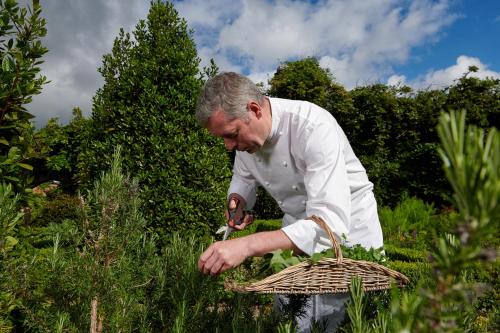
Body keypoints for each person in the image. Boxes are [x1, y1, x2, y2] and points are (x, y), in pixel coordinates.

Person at [196, 72, 383, 332]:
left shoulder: (313, 126)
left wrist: (247, 245)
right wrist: (237, 201)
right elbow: (243, 177)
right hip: (294, 231)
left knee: (343, 322)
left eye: (232, 134)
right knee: (292, 320)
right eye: (223, 139)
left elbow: (329, 224)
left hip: (349, 233)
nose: (228, 146)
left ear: (254, 109)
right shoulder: (247, 143)